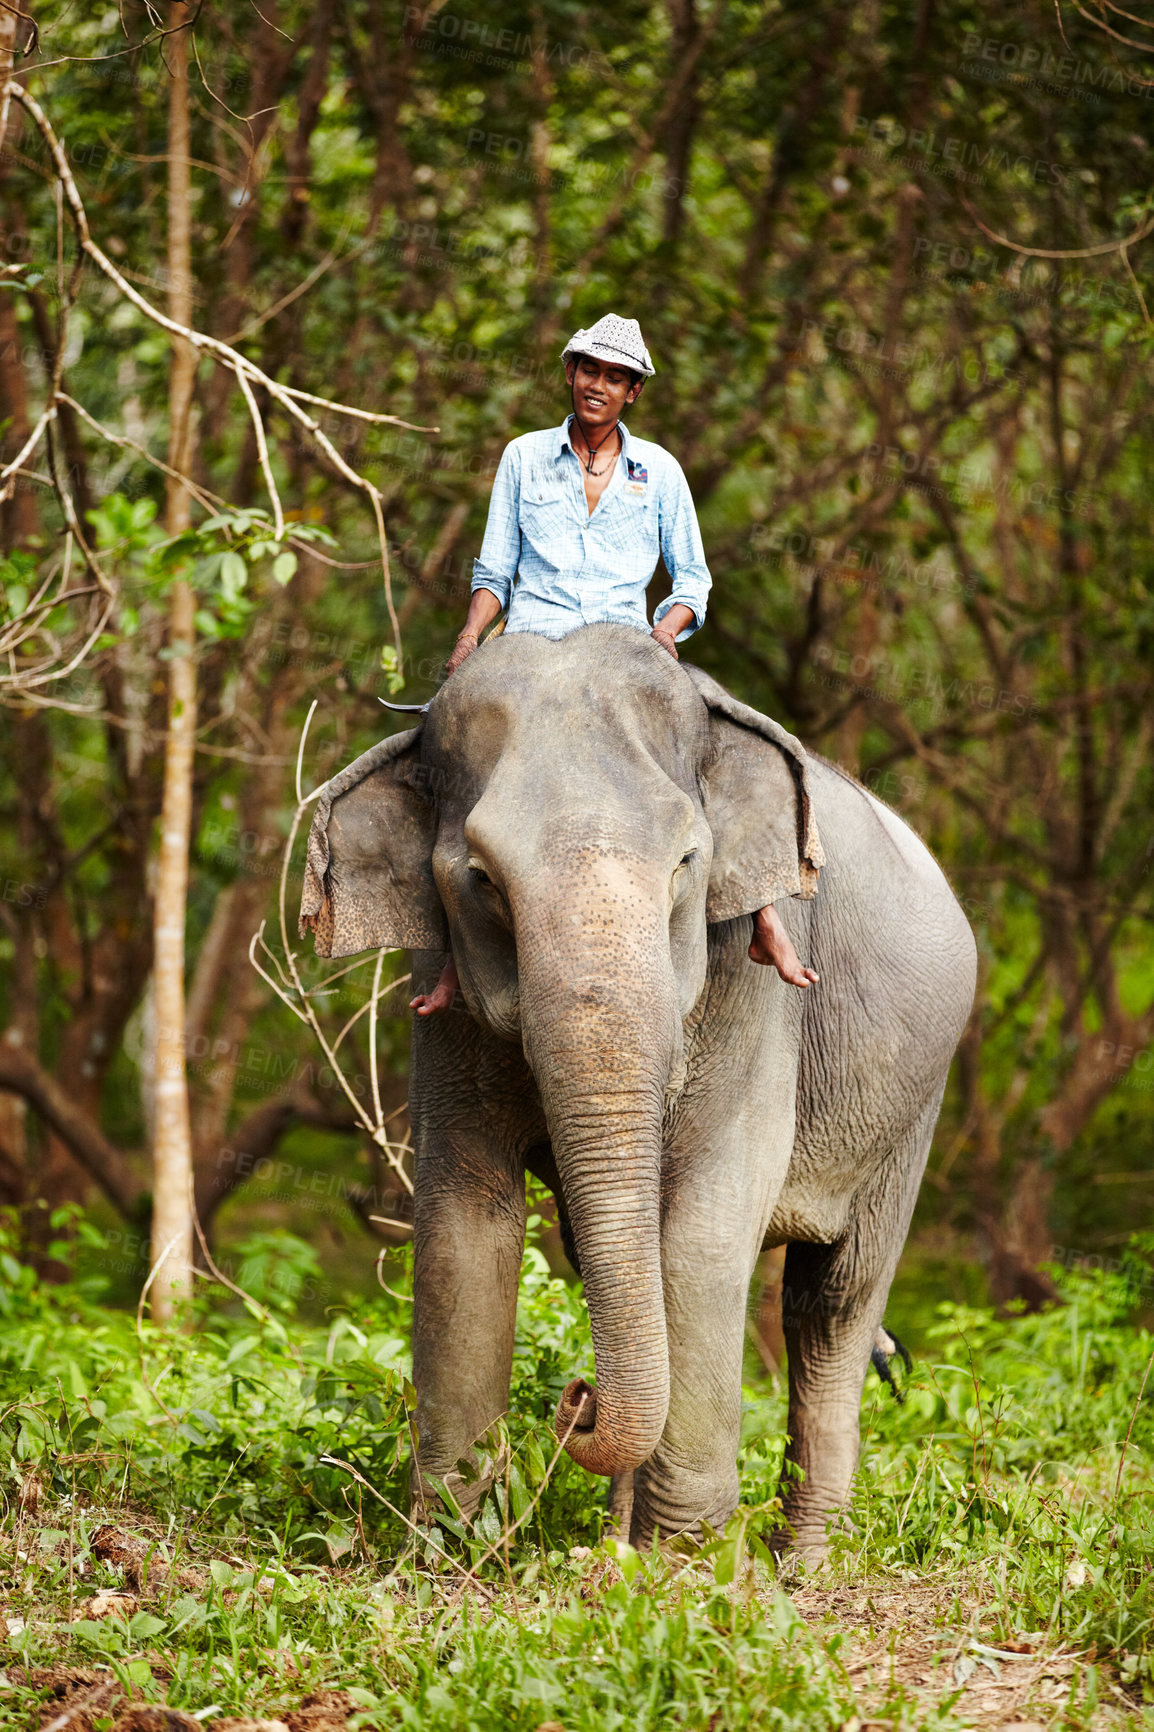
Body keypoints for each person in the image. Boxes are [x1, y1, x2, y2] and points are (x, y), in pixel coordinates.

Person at [411, 314, 818, 1015]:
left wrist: (667, 631)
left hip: (626, 650)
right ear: (570, 373)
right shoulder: (523, 456)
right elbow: (495, 569)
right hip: (530, 649)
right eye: (589, 371)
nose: (599, 386)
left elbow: (693, 579)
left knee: (715, 751)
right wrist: (470, 637)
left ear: (632, 392)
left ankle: (763, 920)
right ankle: (452, 960)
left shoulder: (657, 471)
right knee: (444, 762)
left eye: (616, 378)